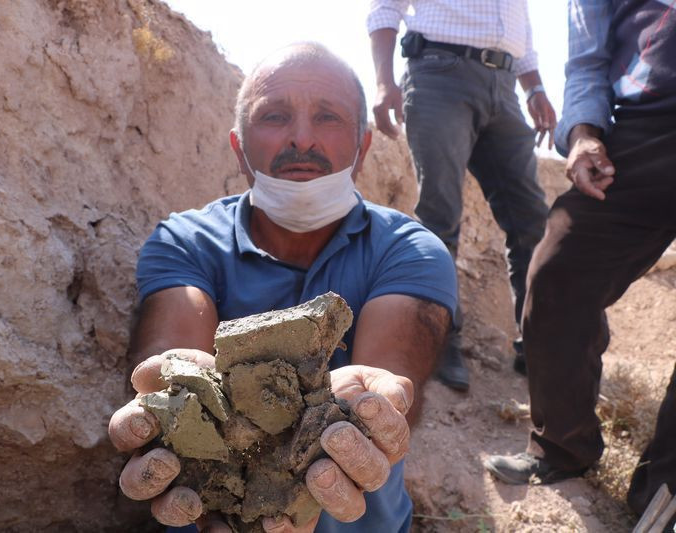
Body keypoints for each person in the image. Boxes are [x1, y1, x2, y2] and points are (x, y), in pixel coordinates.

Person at [107, 42, 458, 532]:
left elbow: (390, 384)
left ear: (363, 147)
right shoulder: (185, 240)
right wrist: (171, 397)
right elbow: (170, 363)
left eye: (328, 117)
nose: (302, 139)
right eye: (273, 116)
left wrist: (371, 407)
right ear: (239, 147)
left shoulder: (410, 250)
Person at [484, 0, 675, 525]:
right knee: (557, 270)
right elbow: (588, 59)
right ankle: (563, 447)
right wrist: (584, 131)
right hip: (645, 125)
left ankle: (664, 493)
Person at [367, 0, 557, 391]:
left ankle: (537, 344)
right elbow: (386, 7)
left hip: (504, 89)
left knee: (531, 221)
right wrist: (384, 81)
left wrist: (534, 86)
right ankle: (439, 339)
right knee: (440, 218)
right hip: (440, 73)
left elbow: (518, 26)